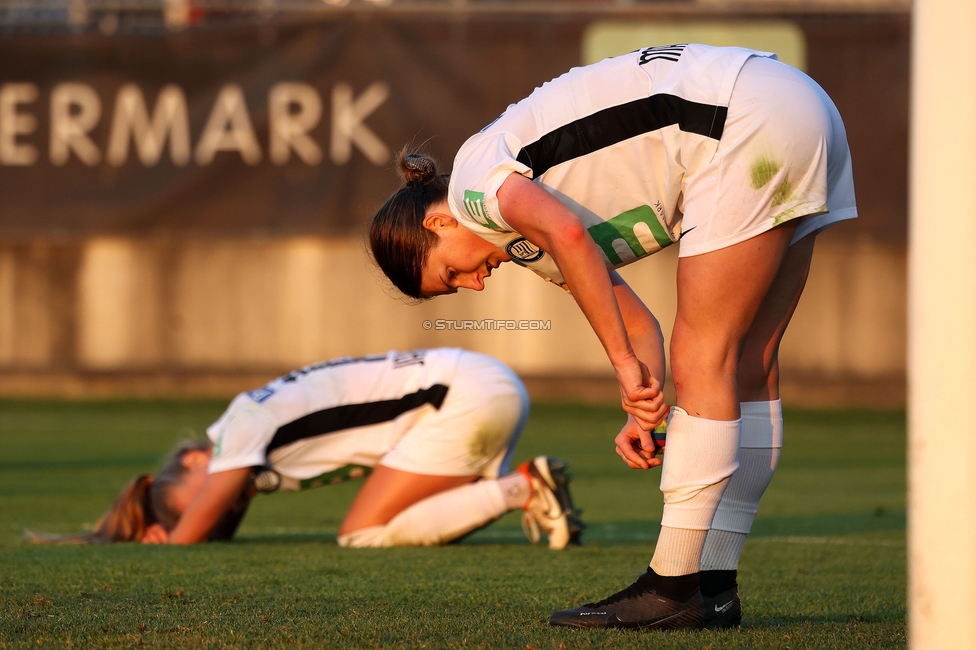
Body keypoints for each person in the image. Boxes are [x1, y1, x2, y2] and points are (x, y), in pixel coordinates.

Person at [369, 43, 856, 630]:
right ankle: (714, 586)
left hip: (739, 117)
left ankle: (671, 588)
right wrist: (642, 410)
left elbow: (570, 233)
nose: (473, 285)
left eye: (451, 272)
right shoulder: (518, 237)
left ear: (437, 222)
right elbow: (632, 317)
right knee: (748, 363)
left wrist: (624, 365)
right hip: (796, 105)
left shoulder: (473, 190)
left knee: (704, 356)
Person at [41, 348, 583, 550]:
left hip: (461, 395)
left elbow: (188, 538)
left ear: (193, 460)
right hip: (476, 382)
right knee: (396, 516)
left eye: (204, 496)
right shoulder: (251, 433)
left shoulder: (239, 425)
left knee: (360, 534)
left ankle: (522, 487)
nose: (221, 504)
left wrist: (171, 542)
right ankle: (523, 491)